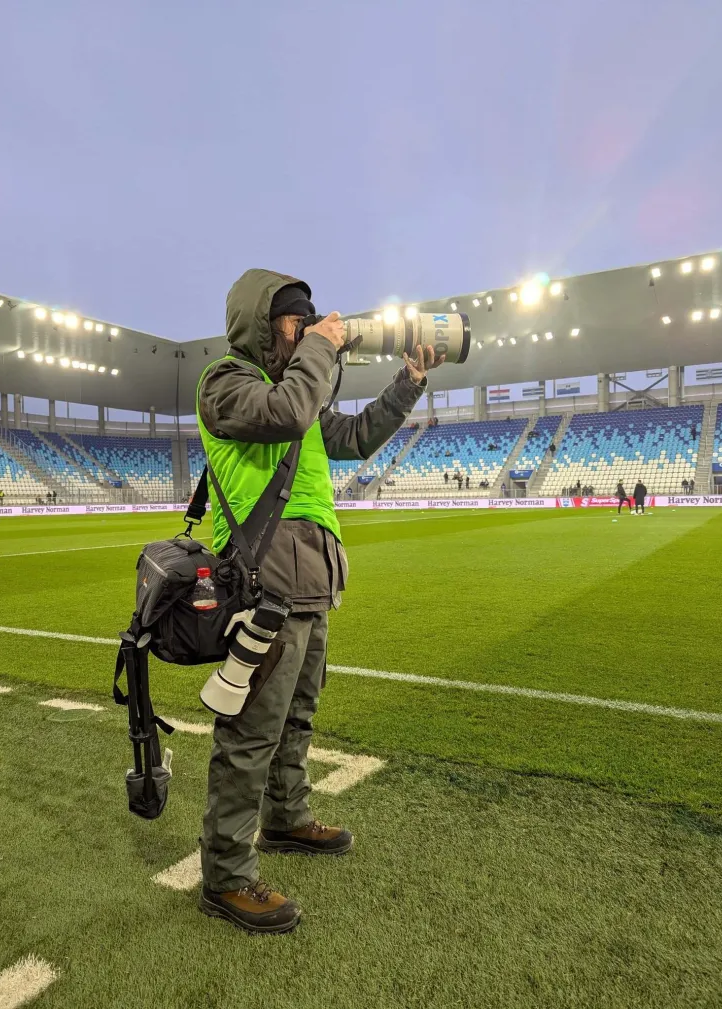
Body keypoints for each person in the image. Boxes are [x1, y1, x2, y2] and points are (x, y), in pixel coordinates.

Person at [195, 268, 441, 935]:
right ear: (257, 323)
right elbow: (290, 414)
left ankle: (287, 816)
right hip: (262, 584)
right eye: (292, 322)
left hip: (311, 581)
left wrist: (408, 382)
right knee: (250, 734)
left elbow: (354, 437)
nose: (304, 332)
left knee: (296, 717)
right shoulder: (227, 384)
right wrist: (323, 349)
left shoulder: (294, 387)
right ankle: (225, 875)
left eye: (308, 323)